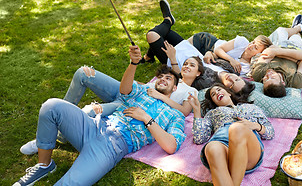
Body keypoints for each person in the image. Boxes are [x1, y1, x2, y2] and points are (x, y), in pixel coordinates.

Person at [13, 45, 186, 186]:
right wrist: (133, 64)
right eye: (160, 77)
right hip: (95, 125)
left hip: (112, 147)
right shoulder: (143, 91)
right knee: (51, 106)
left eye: (168, 78)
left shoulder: (175, 115)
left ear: (175, 88)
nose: (163, 79)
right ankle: (45, 165)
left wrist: (147, 119)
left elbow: (171, 146)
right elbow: (124, 90)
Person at [140, 0, 273, 77]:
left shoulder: (246, 69)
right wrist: (214, 54)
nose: (250, 46)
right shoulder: (242, 43)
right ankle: (167, 22)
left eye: (255, 47)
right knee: (160, 35)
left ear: (259, 53)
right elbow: (217, 52)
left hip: (188, 62)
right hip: (201, 49)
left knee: (156, 34)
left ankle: (167, 22)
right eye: (253, 42)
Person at [187, 83, 274, 186]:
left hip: (248, 148)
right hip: (223, 146)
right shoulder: (212, 113)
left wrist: (255, 125)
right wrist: (197, 110)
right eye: (213, 94)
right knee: (212, 147)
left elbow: (270, 132)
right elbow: (199, 138)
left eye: (219, 89)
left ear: (228, 93)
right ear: (213, 101)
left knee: (236, 128)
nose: (217, 93)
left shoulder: (251, 107)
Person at [250, 14, 302, 97]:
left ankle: (297, 27)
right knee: (295, 37)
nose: (267, 76)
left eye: (265, 80)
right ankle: (298, 29)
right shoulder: (296, 81)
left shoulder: (258, 75)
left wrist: (296, 60)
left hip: (277, 45)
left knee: (281, 31)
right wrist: (277, 52)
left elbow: (268, 50)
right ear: (282, 82)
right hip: (296, 48)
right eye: (272, 78)